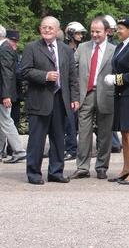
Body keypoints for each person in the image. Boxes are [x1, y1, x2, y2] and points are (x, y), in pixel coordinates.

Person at [21, 16, 80, 185]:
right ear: (40, 30)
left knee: (58, 138)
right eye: (44, 27)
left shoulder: (66, 50)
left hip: (60, 99)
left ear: (58, 31)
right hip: (39, 99)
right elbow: (24, 72)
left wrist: (74, 97)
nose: (47, 30)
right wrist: (44, 76)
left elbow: (72, 77)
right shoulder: (31, 48)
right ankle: (33, 173)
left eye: (50, 28)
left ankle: (55, 171)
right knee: (36, 139)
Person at [69, 16, 116, 180]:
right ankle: (82, 167)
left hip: (106, 95)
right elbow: (71, 69)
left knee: (105, 134)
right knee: (83, 133)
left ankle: (102, 167)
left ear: (107, 32)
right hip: (86, 94)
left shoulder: (114, 50)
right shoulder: (82, 48)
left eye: (98, 31)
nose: (95, 35)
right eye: (92, 31)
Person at [105, 17, 129, 184]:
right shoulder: (120, 47)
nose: (118, 30)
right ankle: (126, 168)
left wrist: (117, 79)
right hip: (121, 94)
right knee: (123, 131)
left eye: (121, 28)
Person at [0, 26, 27, 164]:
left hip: (4, 93)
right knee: (3, 121)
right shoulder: (5, 48)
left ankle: (19, 150)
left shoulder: (4, 49)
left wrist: (6, 95)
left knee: (6, 121)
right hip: (4, 92)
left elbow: (7, 73)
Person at [63, 21, 87, 161]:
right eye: (77, 33)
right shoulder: (65, 49)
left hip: (78, 89)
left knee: (74, 120)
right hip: (67, 89)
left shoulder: (81, 49)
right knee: (68, 120)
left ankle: (72, 148)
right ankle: (67, 147)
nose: (80, 36)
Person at [104, 15, 121, 152]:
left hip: (112, 83)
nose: (111, 31)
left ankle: (113, 143)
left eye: (112, 29)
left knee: (110, 115)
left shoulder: (115, 45)